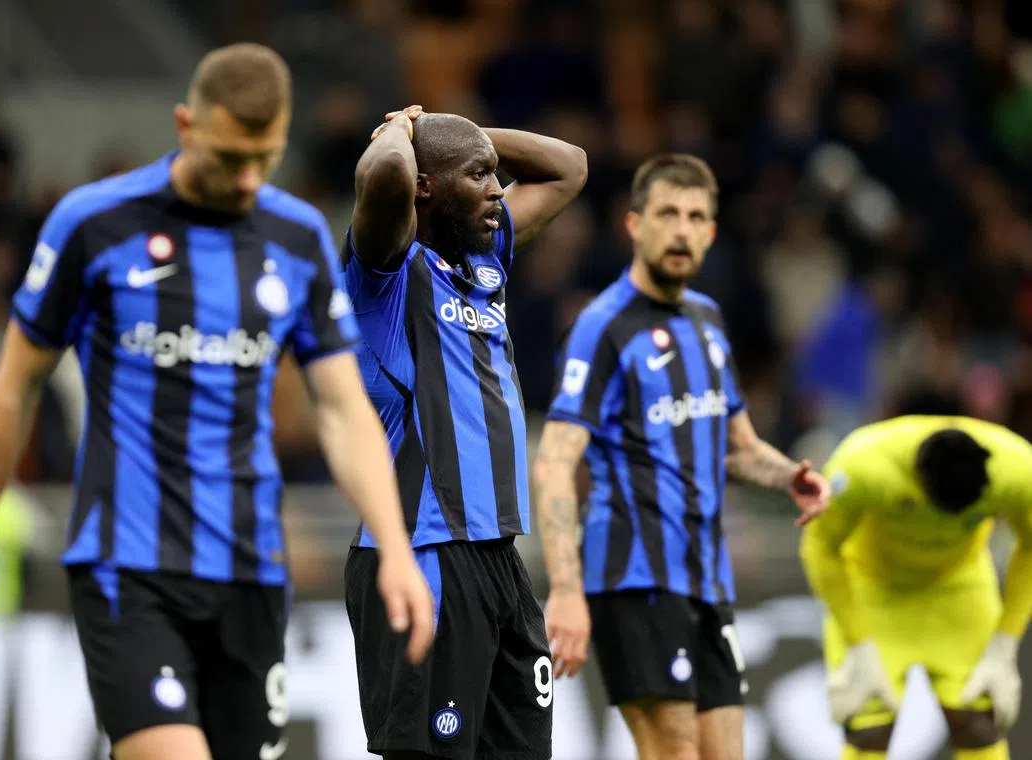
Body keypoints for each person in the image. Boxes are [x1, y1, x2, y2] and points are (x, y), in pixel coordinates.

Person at [0, 43, 434, 760]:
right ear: (185, 125)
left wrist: (394, 548)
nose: (248, 179)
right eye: (231, 158)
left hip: (251, 576)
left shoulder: (295, 238)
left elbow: (342, 407)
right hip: (128, 568)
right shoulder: (95, 224)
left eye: (266, 157)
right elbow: (16, 386)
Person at [532, 154, 831, 760]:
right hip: (633, 577)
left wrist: (788, 476)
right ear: (634, 225)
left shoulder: (709, 323)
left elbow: (738, 447)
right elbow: (555, 459)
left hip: (706, 580)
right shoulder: (603, 325)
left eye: (696, 216)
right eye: (667, 213)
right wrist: (564, 588)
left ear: (712, 232)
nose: (682, 228)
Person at [341, 104, 587, 759]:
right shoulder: (386, 272)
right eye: (478, 175)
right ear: (427, 187)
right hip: (426, 553)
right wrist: (401, 130)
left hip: (499, 558)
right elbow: (388, 170)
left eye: (494, 175)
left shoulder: (485, 262)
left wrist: (465, 136)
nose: (495, 189)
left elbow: (569, 168)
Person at [801, 415, 1032, 760]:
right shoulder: (863, 464)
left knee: (979, 723)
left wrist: (1005, 642)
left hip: (958, 586)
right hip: (875, 587)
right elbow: (819, 547)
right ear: (918, 479)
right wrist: (859, 641)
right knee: (869, 729)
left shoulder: (1019, 470)